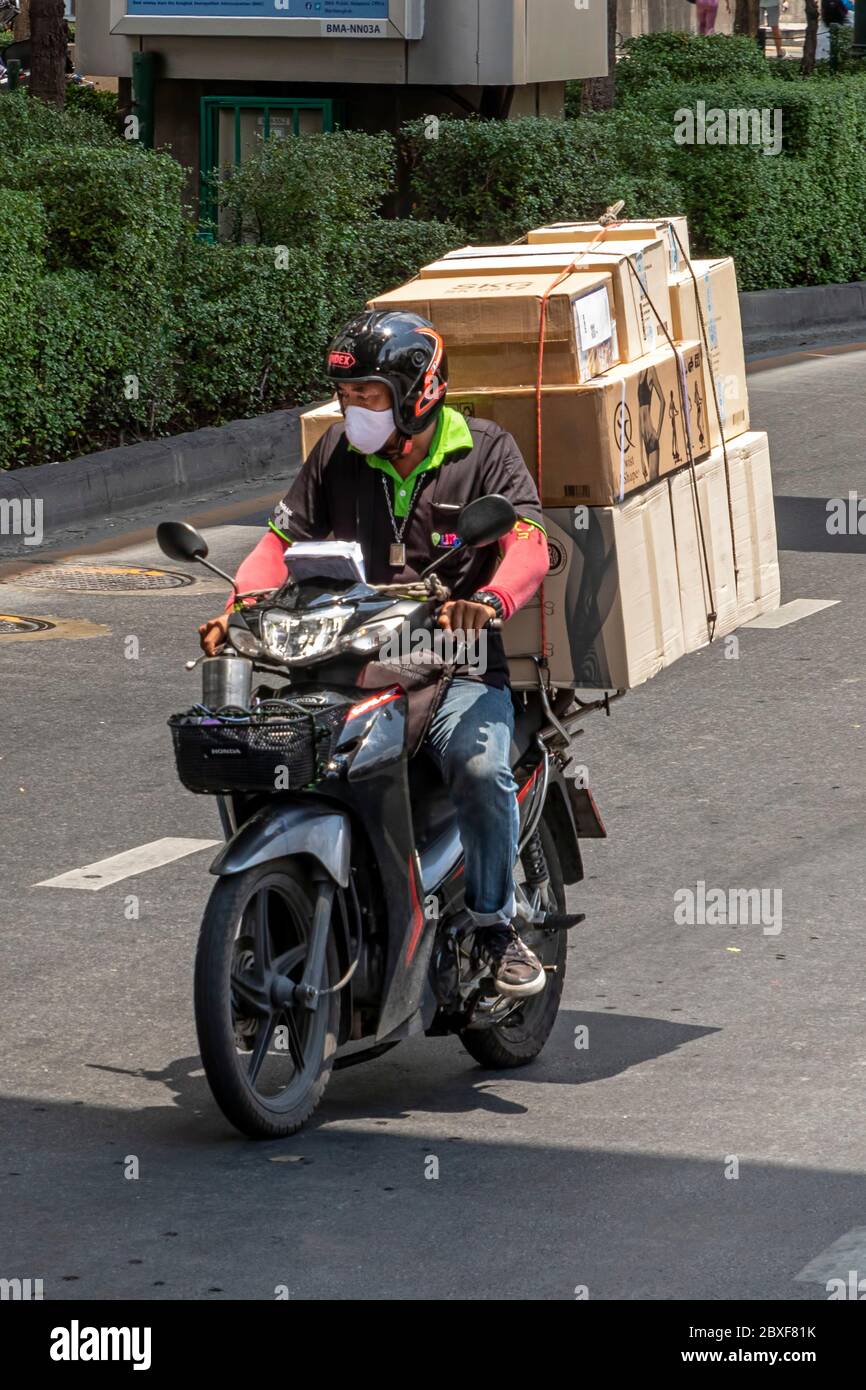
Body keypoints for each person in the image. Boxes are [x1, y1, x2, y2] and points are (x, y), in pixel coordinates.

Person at [199, 309, 551, 997]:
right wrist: (237, 608)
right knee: (271, 754)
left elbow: (528, 545)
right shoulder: (338, 453)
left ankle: (493, 927)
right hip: (351, 663)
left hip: (456, 665)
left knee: (479, 768)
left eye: (369, 395)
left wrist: (487, 603)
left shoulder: (484, 450)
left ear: (417, 391)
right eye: (348, 396)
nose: (354, 409)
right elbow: (278, 543)